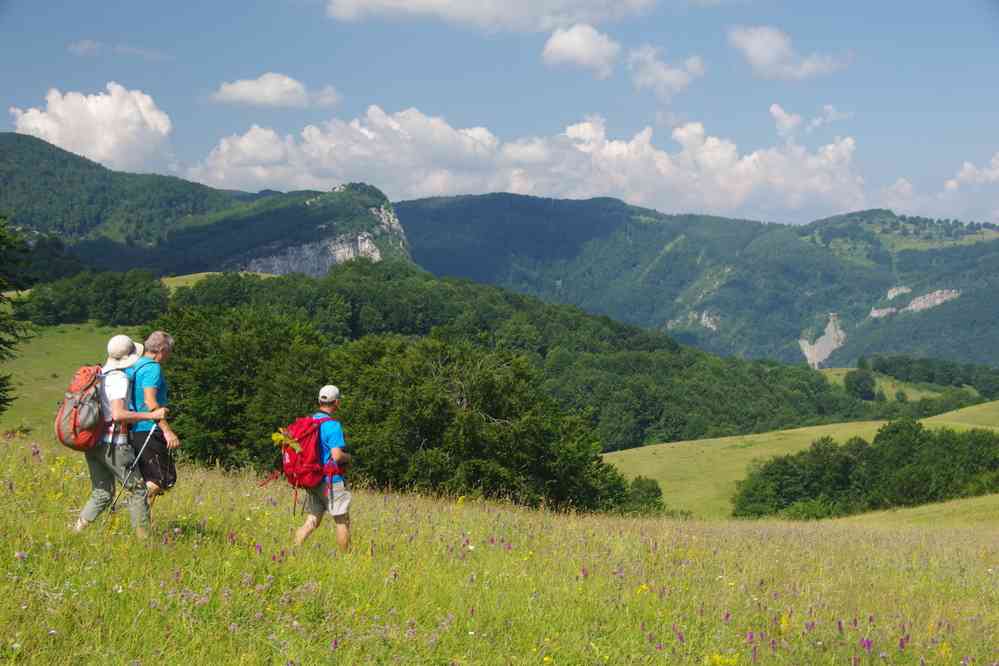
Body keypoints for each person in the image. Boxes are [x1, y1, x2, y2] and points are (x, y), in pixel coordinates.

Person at [74, 335, 168, 536]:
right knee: (138, 490)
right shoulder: (118, 378)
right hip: (113, 444)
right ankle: (144, 541)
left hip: (94, 442)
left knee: (102, 493)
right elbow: (118, 415)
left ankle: (75, 531)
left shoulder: (100, 375)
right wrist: (152, 415)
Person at [295, 385, 352, 551]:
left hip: (312, 479)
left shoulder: (309, 422)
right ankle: (345, 559)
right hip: (331, 481)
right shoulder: (332, 426)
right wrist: (349, 457)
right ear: (337, 402)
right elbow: (337, 456)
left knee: (312, 519)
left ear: (319, 401)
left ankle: (294, 550)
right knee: (342, 520)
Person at [127, 330, 179, 508]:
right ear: (162, 349)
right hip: (149, 428)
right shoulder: (153, 368)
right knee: (163, 478)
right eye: (169, 351)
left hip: (133, 428)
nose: (169, 356)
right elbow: (150, 401)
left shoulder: (135, 365)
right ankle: (128, 506)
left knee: (147, 477)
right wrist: (167, 431)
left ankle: (143, 520)